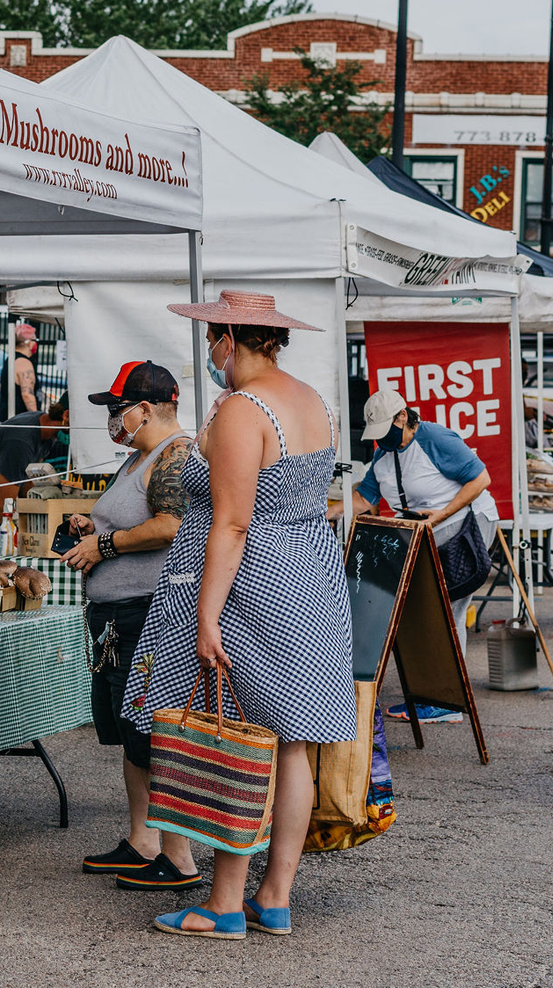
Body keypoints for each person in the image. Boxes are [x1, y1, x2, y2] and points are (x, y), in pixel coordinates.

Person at [125, 290, 354, 940]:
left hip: (259, 582)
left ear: (230, 336)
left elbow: (231, 522)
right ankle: (273, 896)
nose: (207, 349)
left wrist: (207, 614)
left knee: (240, 738)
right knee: (293, 742)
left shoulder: (241, 409)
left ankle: (224, 902)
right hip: (313, 574)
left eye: (210, 337)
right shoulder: (310, 399)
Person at [62, 362, 198, 890]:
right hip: (116, 617)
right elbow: (131, 519)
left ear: (146, 408)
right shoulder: (138, 458)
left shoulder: (175, 455)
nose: (114, 421)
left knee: (152, 732)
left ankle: (179, 857)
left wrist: (106, 544)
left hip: (146, 614)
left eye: (119, 410)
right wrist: (89, 526)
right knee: (128, 732)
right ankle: (143, 842)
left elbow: (172, 524)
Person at [337, 388, 492, 722]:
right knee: (424, 610)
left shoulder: (435, 438)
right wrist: (327, 511)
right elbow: (364, 498)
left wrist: (441, 513)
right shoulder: (384, 453)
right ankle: (432, 694)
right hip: (423, 532)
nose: (381, 440)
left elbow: (481, 479)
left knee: (446, 609)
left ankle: (447, 703)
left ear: (403, 417)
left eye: (385, 432)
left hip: (463, 527)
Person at [0, 396, 70, 518]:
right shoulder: (20, 441)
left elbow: (28, 482)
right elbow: (2, 507)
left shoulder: (46, 432)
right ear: (66, 416)